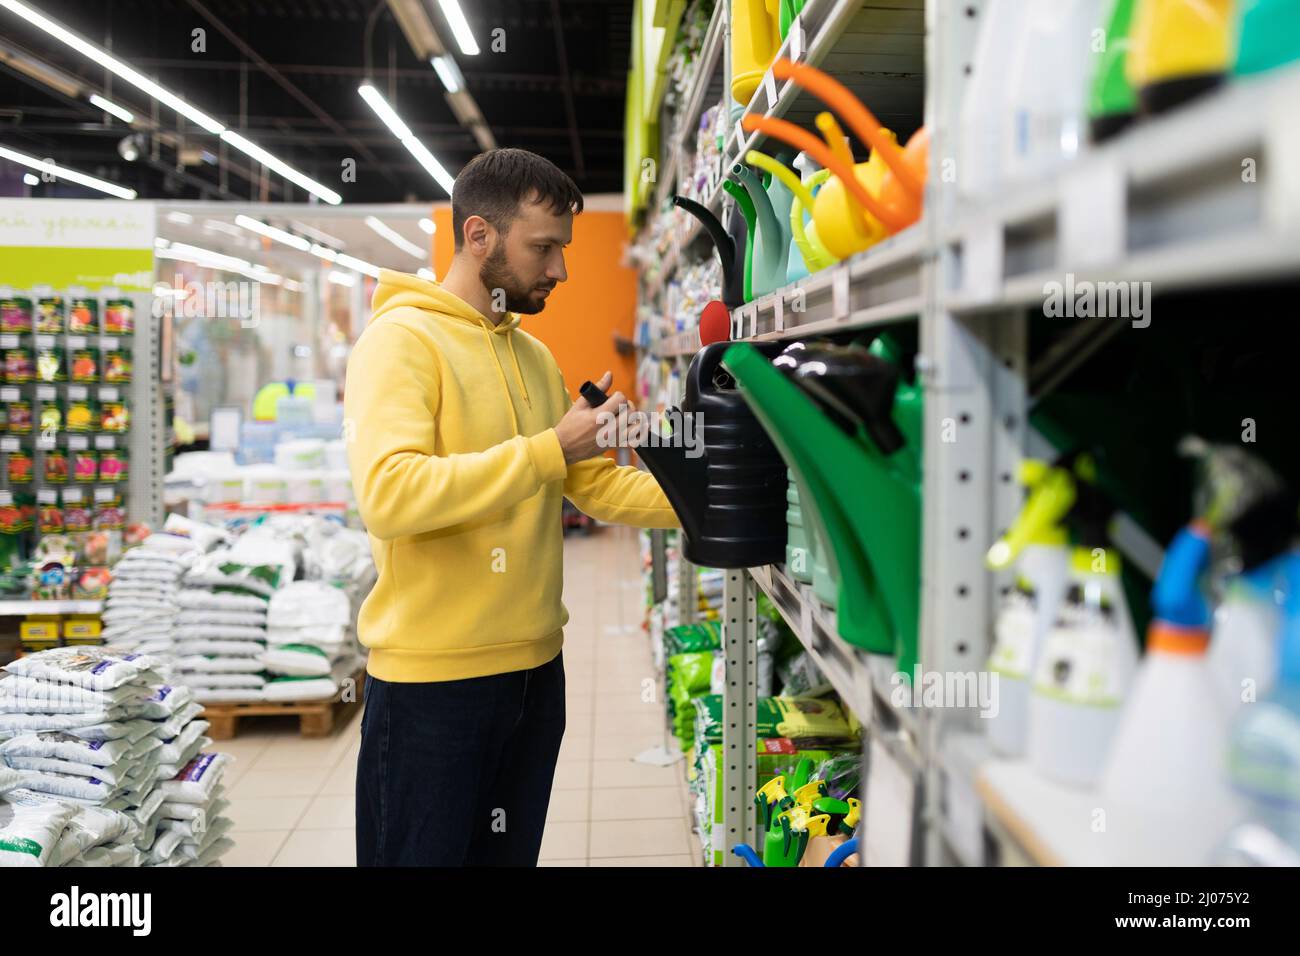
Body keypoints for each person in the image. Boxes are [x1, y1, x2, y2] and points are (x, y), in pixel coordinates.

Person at [344, 148, 681, 866]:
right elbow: (391, 495)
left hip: (535, 679)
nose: (560, 270)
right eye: (544, 247)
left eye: (563, 248)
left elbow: (589, 486)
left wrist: (714, 502)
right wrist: (551, 447)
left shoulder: (534, 358)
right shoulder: (399, 343)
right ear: (478, 236)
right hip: (432, 689)